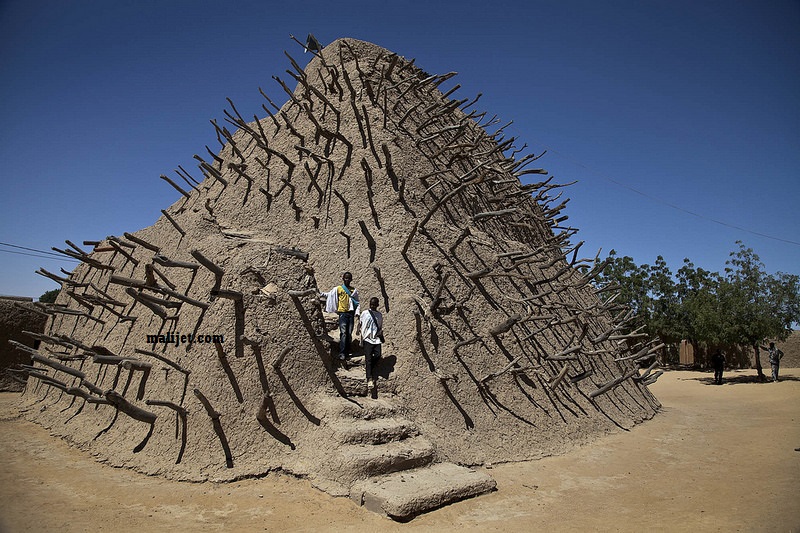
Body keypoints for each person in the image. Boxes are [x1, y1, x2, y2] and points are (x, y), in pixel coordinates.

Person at [325, 272, 360, 361]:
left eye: (349, 278)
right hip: (343, 314)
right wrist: (320, 293)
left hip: (350, 314)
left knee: (348, 334)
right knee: (343, 333)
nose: (347, 280)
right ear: (343, 279)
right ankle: (342, 353)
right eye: (346, 278)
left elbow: (357, 302)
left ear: (351, 279)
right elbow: (329, 295)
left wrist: (357, 313)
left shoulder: (354, 291)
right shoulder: (339, 289)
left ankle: (347, 352)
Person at [360, 297, 384, 393]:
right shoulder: (365, 313)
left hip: (376, 339)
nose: (373, 306)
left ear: (377, 305)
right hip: (367, 338)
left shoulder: (379, 315)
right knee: (368, 358)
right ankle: (369, 379)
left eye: (374, 304)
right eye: (371, 304)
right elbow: (361, 324)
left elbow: (380, 327)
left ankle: (367, 367)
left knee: (378, 355)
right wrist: (360, 336)